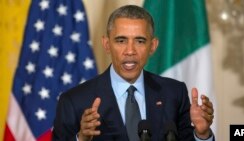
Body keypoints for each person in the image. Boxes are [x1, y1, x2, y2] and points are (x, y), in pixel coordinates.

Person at [52, 5, 215, 141]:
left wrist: (201, 135)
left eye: (140, 41)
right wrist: (80, 139)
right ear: (107, 44)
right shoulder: (74, 101)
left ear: (153, 46)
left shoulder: (173, 93)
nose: (130, 51)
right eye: (121, 41)